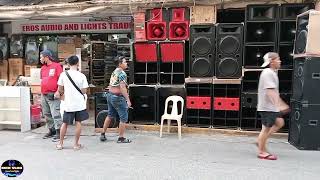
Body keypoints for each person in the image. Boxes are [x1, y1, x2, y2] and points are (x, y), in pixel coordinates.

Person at [257, 52, 290, 160]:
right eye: (278, 59)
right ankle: (261, 151)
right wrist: (280, 105)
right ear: (272, 61)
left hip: (271, 107)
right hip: (267, 107)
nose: (280, 61)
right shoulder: (268, 73)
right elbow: (270, 91)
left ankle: (261, 141)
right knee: (266, 129)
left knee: (280, 122)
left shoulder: (271, 72)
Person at [55, 56, 89, 150]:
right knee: (78, 123)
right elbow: (84, 91)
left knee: (65, 123)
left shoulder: (63, 75)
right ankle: (76, 144)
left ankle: (60, 144)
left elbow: (60, 89)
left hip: (68, 103)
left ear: (68, 64)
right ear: (78, 63)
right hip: (79, 104)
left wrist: (64, 93)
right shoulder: (82, 76)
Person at [100, 56, 132, 143]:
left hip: (110, 95)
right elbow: (122, 87)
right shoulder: (122, 74)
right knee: (123, 117)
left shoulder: (114, 72)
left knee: (110, 115)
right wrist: (128, 100)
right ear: (120, 64)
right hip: (118, 97)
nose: (126, 63)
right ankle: (121, 138)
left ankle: (103, 133)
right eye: (125, 62)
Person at [40, 50, 63, 142]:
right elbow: (43, 80)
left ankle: (59, 131)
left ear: (47, 57)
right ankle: (51, 130)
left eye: (41, 57)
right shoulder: (43, 68)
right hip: (44, 94)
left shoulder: (57, 66)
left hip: (54, 94)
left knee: (55, 113)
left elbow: (61, 80)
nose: (40, 59)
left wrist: (58, 91)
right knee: (46, 113)